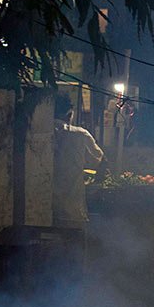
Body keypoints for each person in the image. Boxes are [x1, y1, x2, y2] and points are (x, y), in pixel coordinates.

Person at [52, 92, 104, 230]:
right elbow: (98, 160)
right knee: (73, 248)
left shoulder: (35, 134)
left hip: (39, 209)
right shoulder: (80, 134)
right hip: (71, 211)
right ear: (69, 114)